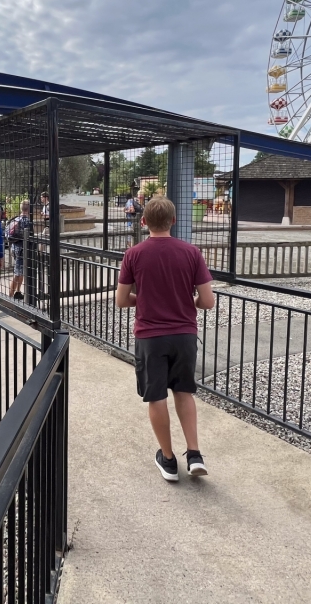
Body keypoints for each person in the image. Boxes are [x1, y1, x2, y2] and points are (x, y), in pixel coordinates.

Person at [115, 196, 215, 482]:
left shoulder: (133, 254)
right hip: (184, 335)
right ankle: (194, 454)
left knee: (156, 396)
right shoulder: (191, 252)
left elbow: (121, 300)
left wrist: (143, 298)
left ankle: (169, 461)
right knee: (184, 391)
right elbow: (207, 301)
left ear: (143, 222)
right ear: (173, 221)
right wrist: (189, 301)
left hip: (151, 337)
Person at [6, 200, 32, 301]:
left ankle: (18, 292)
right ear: (29, 209)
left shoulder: (15, 219)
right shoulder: (27, 221)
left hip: (14, 248)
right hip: (22, 249)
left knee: (20, 271)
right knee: (17, 273)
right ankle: (10, 296)